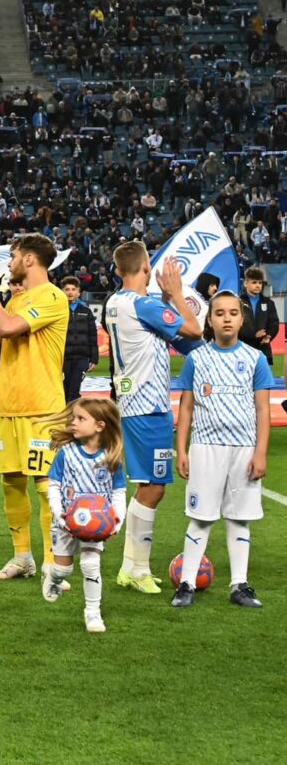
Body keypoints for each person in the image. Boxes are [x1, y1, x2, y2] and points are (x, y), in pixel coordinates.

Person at [0, 235, 71, 583]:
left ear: (28, 259)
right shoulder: (15, 299)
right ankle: (22, 557)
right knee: (11, 482)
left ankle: (53, 562)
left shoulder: (52, 296)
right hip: (9, 407)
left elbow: (10, 328)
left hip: (43, 408)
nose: (8, 263)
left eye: (12, 256)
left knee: (45, 486)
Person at [103, 243, 201, 594]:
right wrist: (175, 293)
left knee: (147, 484)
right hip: (148, 405)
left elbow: (180, 341)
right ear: (146, 267)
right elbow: (194, 331)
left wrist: (165, 301)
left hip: (134, 403)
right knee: (154, 487)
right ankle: (138, 569)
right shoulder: (143, 305)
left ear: (118, 270)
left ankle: (131, 567)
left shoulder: (115, 302)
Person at [172, 291, 270, 609]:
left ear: (241, 319)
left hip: (244, 449)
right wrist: (182, 449)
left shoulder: (255, 359)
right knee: (201, 518)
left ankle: (239, 585)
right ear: (210, 320)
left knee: (239, 519)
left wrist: (260, 452)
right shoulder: (196, 359)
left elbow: (263, 410)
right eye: (219, 313)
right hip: (205, 447)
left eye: (233, 313)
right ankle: (186, 584)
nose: (227, 318)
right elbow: (186, 408)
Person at [43, 397, 127, 633]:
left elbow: (119, 492)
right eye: (73, 418)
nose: (73, 422)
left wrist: (117, 521)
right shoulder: (67, 453)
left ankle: (92, 612)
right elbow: (53, 486)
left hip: (96, 527)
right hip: (64, 525)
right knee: (64, 570)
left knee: (91, 565)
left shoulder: (111, 457)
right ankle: (54, 578)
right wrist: (59, 514)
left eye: (81, 418)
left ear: (100, 426)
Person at [60, 276, 99, 407]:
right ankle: (64, 415)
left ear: (79, 292)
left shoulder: (86, 311)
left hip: (81, 358)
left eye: (73, 289)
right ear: (62, 291)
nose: (70, 292)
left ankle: (72, 415)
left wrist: (94, 359)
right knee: (64, 389)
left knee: (74, 390)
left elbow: (92, 335)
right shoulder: (58, 311)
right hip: (63, 358)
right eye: (67, 289)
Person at [239, 266, 278, 369]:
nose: (258, 285)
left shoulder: (269, 303)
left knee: (264, 379)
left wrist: (268, 336)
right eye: (254, 282)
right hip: (243, 350)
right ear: (246, 283)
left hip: (263, 349)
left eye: (260, 283)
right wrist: (254, 335)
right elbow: (235, 326)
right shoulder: (237, 302)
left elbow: (274, 323)